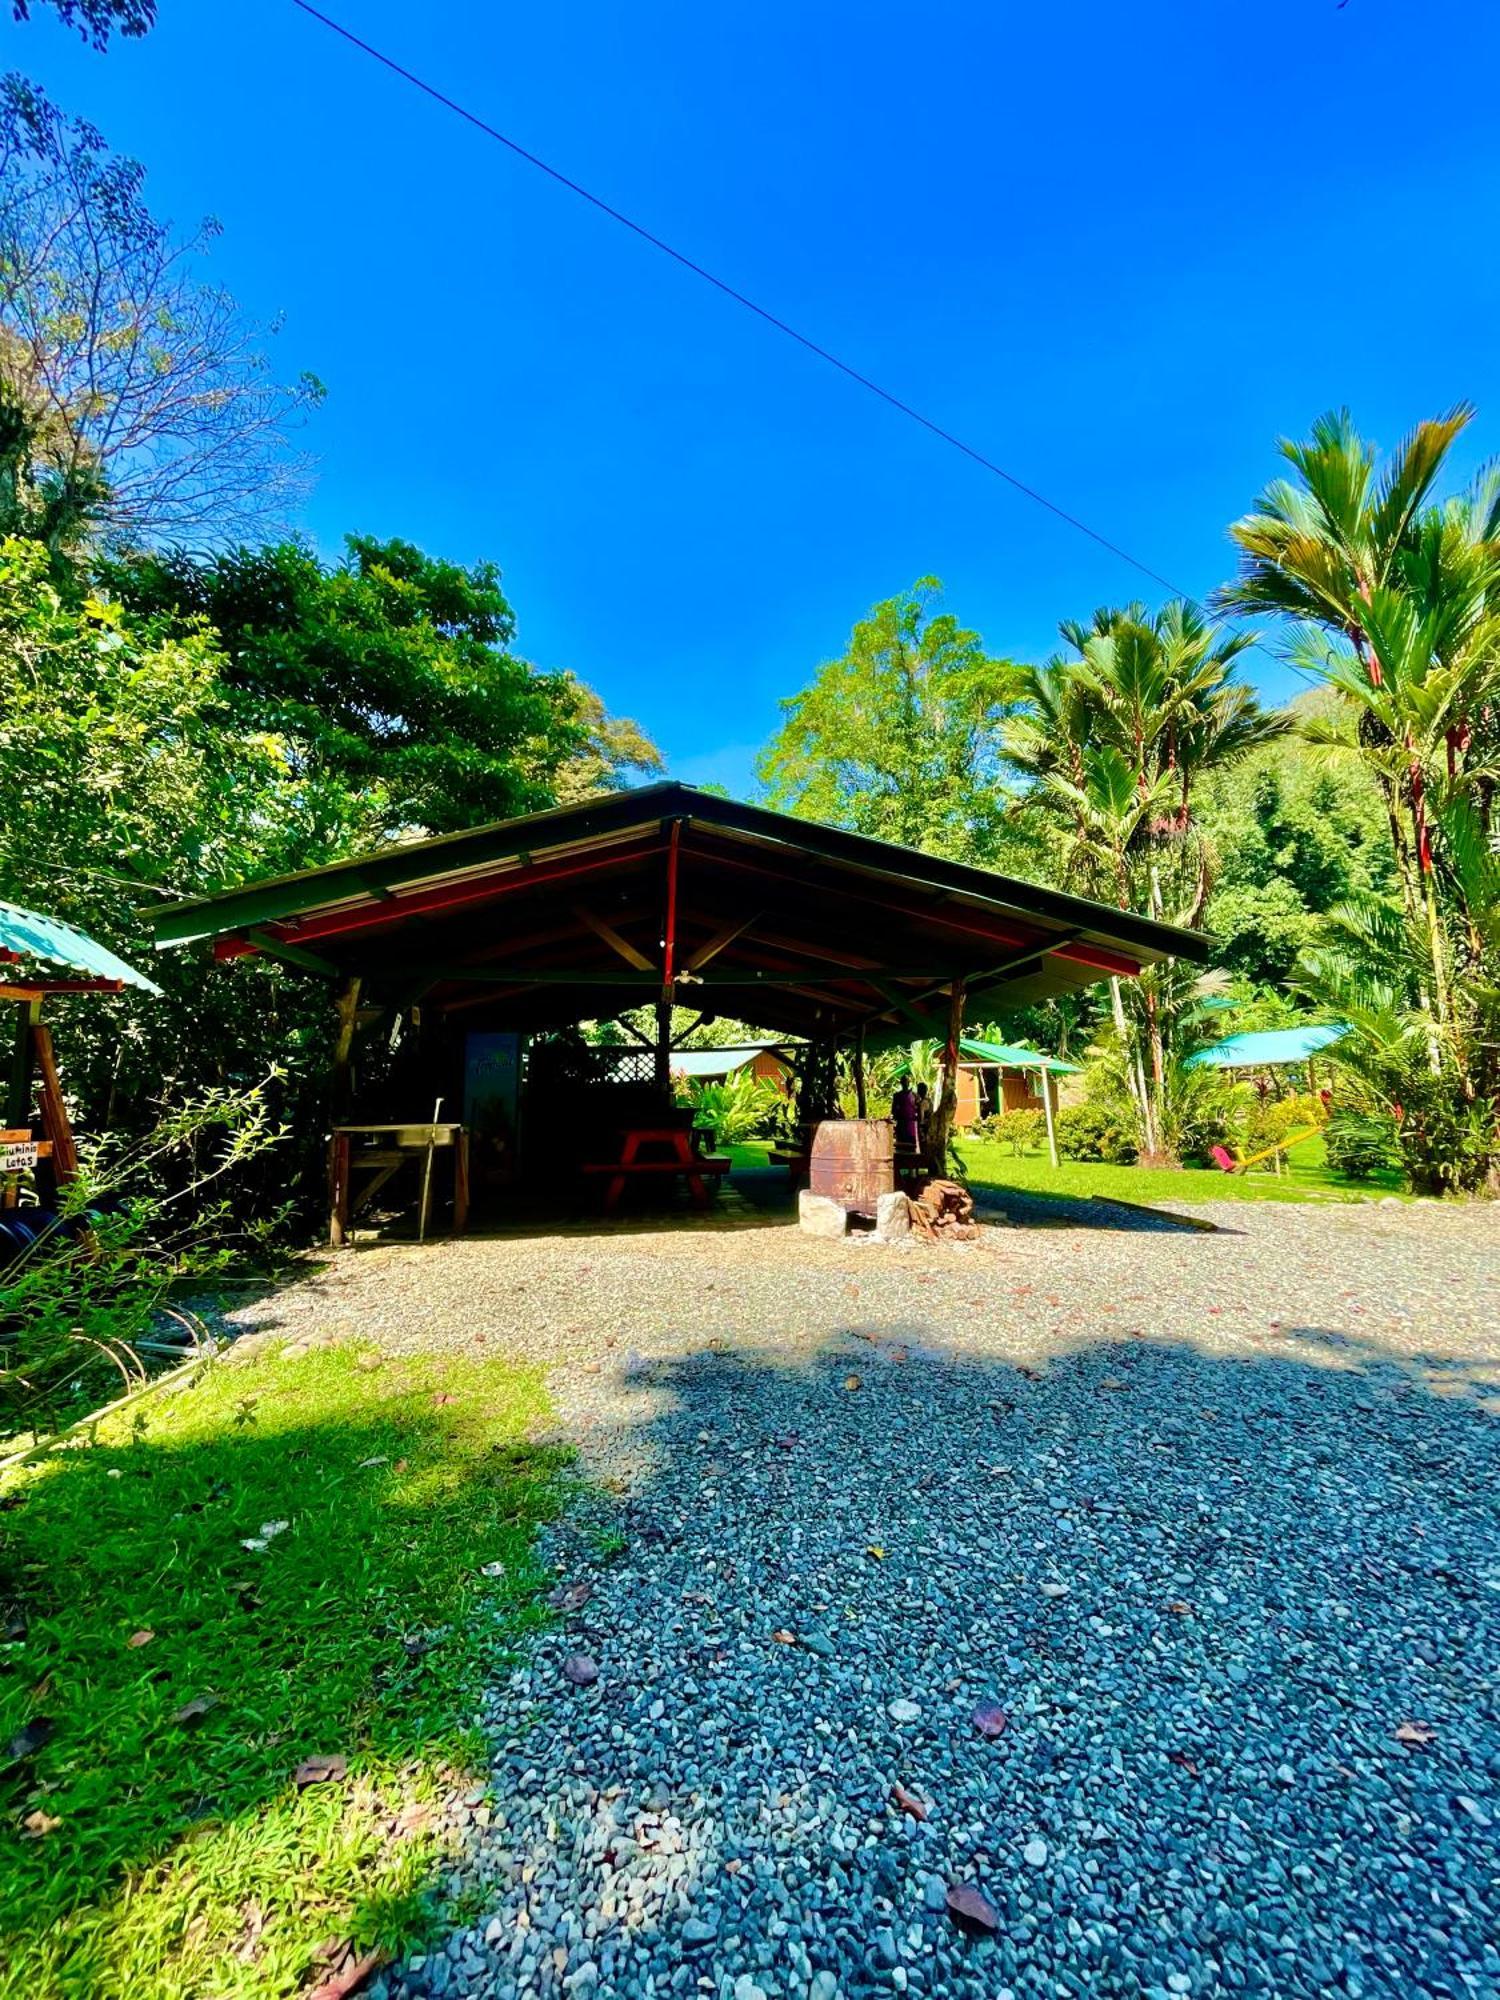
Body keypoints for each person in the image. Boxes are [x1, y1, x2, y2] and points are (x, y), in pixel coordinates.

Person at [891, 1079, 919, 1152]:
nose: (905, 1084)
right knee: (901, 1145)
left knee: (911, 1145)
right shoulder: (897, 1096)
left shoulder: (914, 1095)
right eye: (904, 1082)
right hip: (901, 1123)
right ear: (901, 1084)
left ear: (909, 1083)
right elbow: (893, 1110)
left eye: (906, 1082)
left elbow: (918, 1108)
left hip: (911, 1124)